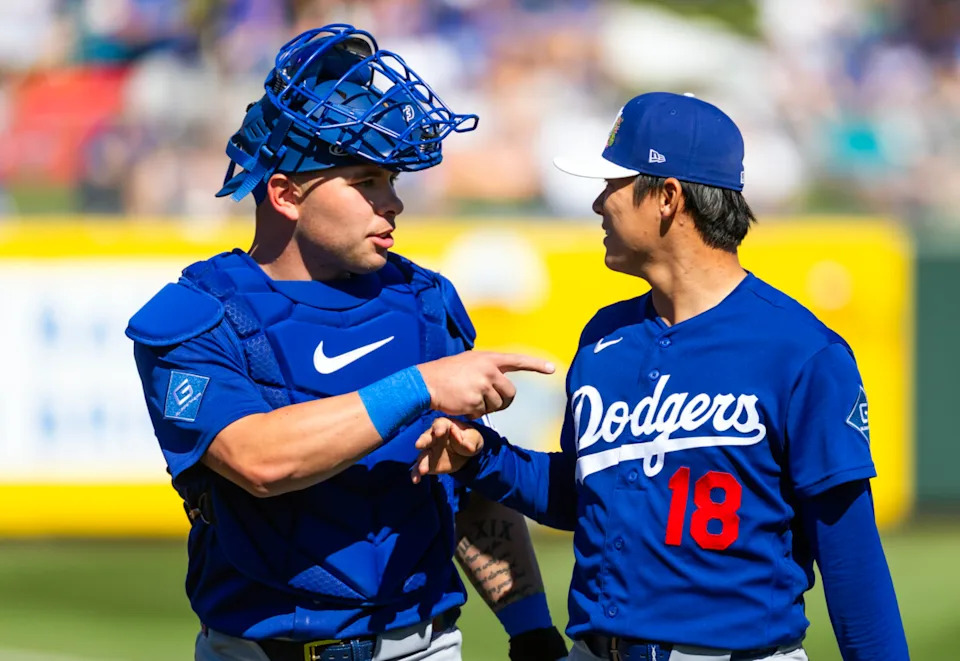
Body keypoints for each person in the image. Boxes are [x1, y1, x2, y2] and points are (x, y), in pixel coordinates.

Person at [412, 92, 910, 661]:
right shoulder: (604, 339)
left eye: (614, 184)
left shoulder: (801, 352)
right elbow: (586, 494)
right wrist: (485, 457)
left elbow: (852, 560)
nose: (600, 202)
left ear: (667, 197)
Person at [126, 24, 569, 661]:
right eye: (364, 182)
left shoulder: (426, 302)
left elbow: (462, 488)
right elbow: (258, 462)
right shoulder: (198, 315)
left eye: (391, 181)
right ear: (284, 194)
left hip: (422, 645)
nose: (392, 204)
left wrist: (530, 631)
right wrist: (421, 386)